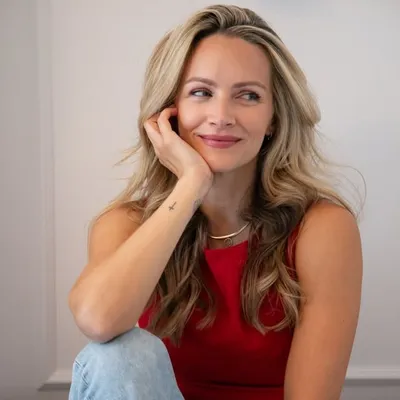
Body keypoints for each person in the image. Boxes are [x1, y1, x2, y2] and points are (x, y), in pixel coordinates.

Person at [67, 4, 363, 400]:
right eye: (201, 93)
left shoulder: (321, 227)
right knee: (117, 356)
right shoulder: (127, 222)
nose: (221, 116)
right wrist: (191, 185)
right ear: (168, 111)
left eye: (248, 96)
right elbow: (97, 320)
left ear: (273, 118)